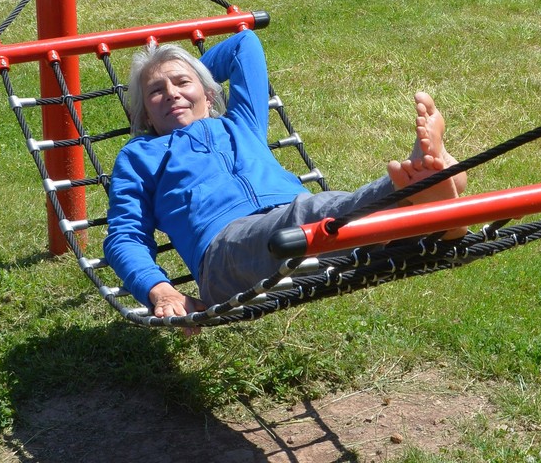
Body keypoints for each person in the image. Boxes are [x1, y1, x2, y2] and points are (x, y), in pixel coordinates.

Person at [104, 28, 466, 328]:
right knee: (316, 215)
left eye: (182, 83)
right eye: (155, 91)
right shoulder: (139, 156)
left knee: (322, 212)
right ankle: (416, 189)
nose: (171, 93)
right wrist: (160, 290)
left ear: (210, 93)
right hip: (226, 251)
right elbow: (124, 236)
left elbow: (245, 45)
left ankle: (431, 211)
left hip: (297, 214)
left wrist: (190, 69)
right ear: (146, 116)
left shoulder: (240, 122)